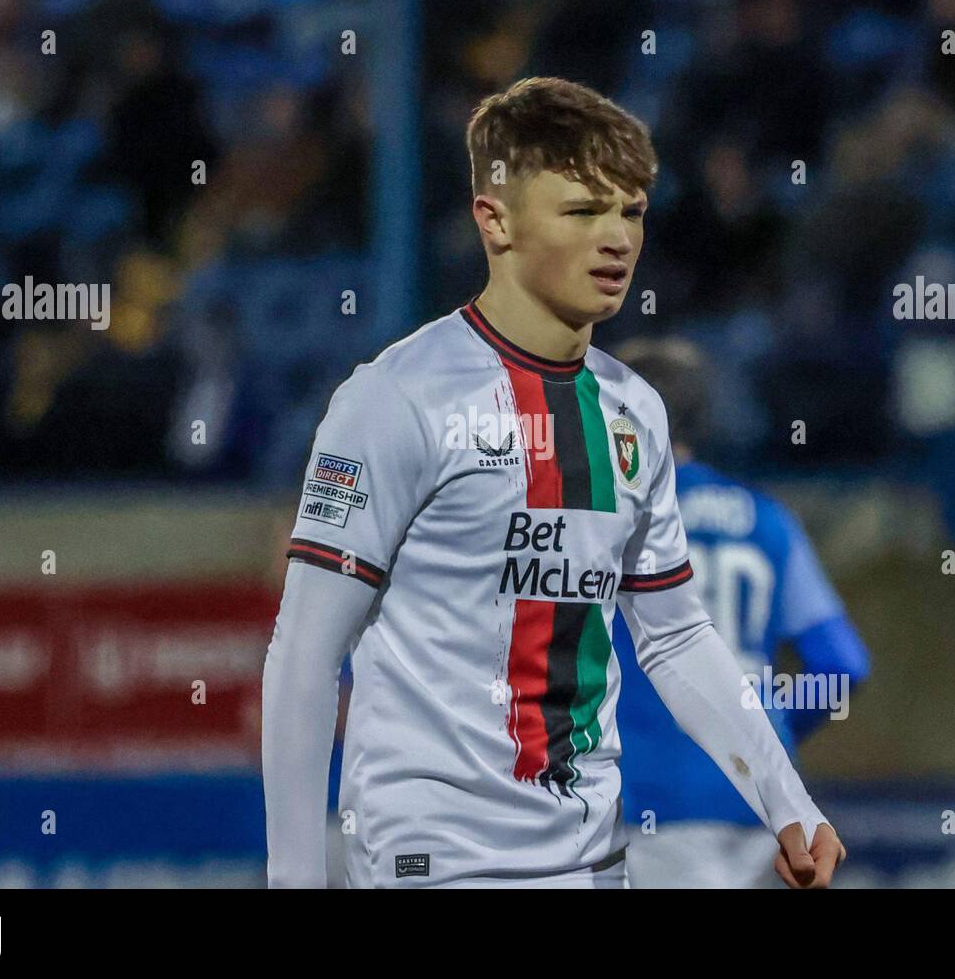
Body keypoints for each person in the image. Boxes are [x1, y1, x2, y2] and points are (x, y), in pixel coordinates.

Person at [262, 76, 845, 888]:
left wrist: (789, 803)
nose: (616, 240)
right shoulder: (393, 400)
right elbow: (304, 652)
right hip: (436, 860)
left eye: (631, 212)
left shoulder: (634, 414)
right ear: (494, 221)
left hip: (591, 859)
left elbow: (675, 634)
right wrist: (292, 878)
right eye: (581, 211)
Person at [611, 336, 871, 887]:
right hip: (766, 814)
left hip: (650, 804)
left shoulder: (610, 517)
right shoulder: (768, 519)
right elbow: (842, 666)